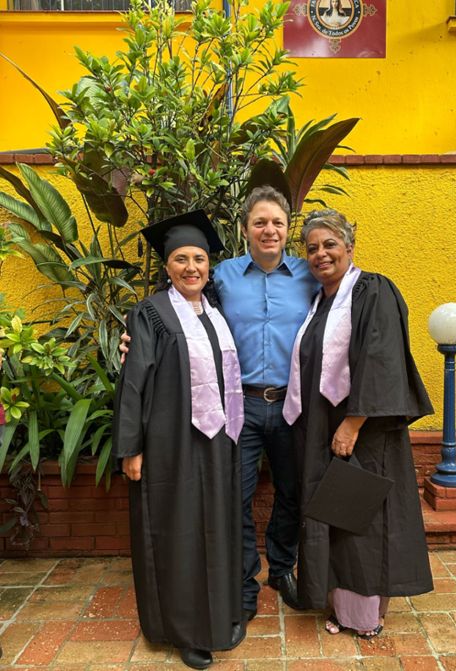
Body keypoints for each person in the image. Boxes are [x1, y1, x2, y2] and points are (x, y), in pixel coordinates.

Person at [120, 187, 319, 621]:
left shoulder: (310, 277)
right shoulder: (221, 276)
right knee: (234, 496)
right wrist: (135, 340)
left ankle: (281, 569)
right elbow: (182, 315)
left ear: (289, 229)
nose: (269, 230)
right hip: (237, 408)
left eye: (278, 222)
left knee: (292, 493)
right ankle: (244, 579)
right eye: (260, 222)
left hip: (292, 405)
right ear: (245, 229)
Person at [283, 209, 434, 639]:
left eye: (330, 244)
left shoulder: (373, 290)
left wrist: (352, 423)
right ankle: (338, 605)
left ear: (349, 246)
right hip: (323, 428)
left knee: (359, 518)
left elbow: (381, 358)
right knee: (334, 516)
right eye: (312, 247)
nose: (321, 254)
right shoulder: (320, 303)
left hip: (363, 431)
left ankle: (364, 617)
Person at [112, 210, 246, 670]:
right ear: (167, 266)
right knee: (181, 532)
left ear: (209, 266)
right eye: (181, 259)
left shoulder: (216, 314)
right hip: (171, 445)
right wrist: (131, 448)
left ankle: (221, 616)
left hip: (218, 444)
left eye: (200, 259)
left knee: (217, 527)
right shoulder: (150, 312)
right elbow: (134, 381)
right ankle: (186, 632)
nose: (192, 268)